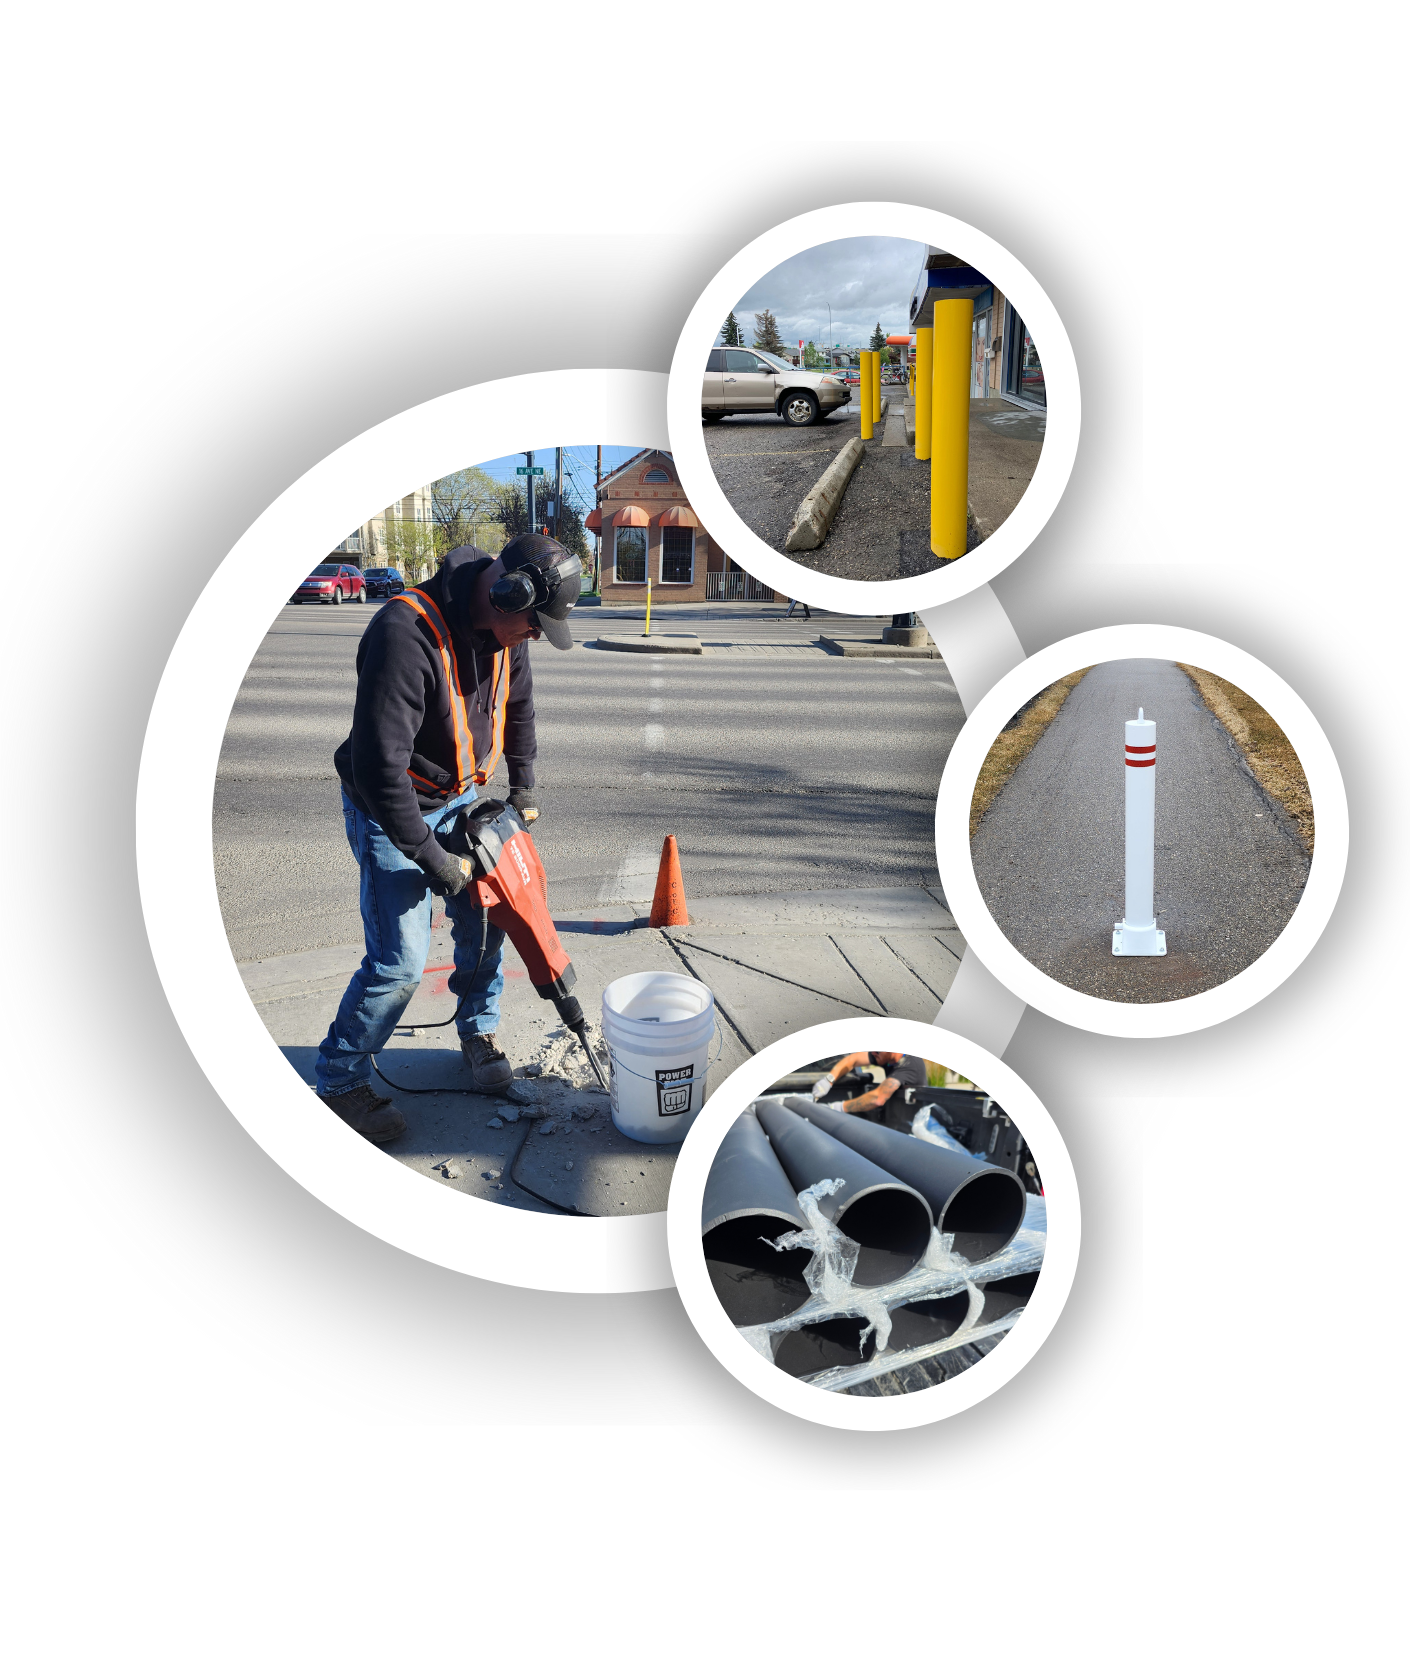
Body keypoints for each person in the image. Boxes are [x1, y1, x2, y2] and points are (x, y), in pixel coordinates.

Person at [313, 533, 582, 1142]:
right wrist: (435, 860)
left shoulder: (509, 631)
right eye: (535, 624)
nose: (537, 635)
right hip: (394, 804)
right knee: (399, 962)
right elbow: (380, 771)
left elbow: (521, 705)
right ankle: (339, 1080)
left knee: (487, 924)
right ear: (507, 594)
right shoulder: (403, 634)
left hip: (463, 796)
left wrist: (525, 788)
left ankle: (476, 1032)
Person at [810, 1051, 929, 1132]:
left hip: (913, 1123)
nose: (873, 1052)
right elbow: (853, 1059)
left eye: (877, 1051)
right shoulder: (886, 1055)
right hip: (896, 1117)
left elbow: (877, 1099)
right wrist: (828, 1080)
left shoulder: (910, 1064)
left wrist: (836, 1108)